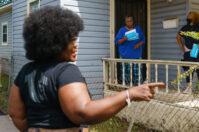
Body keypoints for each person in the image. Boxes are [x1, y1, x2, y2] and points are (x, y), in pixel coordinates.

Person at [8, 6, 163, 132]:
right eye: (71, 39)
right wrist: (130, 94)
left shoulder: (26, 71)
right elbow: (83, 113)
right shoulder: (66, 71)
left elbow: (16, 115)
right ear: (54, 42)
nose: (76, 44)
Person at [176, 11, 199, 93]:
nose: (188, 17)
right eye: (188, 15)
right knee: (188, 69)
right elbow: (178, 37)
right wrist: (182, 47)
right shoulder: (185, 28)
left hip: (197, 50)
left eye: (190, 16)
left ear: (195, 17)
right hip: (188, 50)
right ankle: (188, 88)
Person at [115, 16, 146, 86]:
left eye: (130, 21)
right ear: (125, 22)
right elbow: (117, 42)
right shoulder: (122, 30)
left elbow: (143, 39)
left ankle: (138, 88)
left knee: (137, 73)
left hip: (136, 54)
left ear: (133, 21)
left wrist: (138, 44)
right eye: (128, 21)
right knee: (126, 73)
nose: (129, 23)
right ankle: (127, 88)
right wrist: (124, 39)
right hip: (125, 55)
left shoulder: (138, 29)